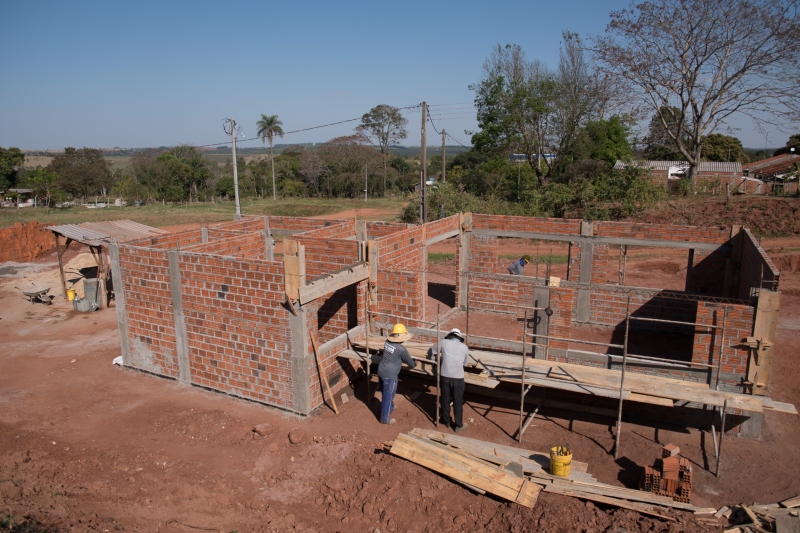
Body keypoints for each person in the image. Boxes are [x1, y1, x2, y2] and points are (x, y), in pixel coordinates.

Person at [428, 328, 470, 432]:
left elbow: (432, 352)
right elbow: (465, 363)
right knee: (457, 401)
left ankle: (446, 420)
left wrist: (434, 361)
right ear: (459, 337)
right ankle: (458, 425)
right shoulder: (464, 347)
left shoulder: (443, 342)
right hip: (458, 378)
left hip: (445, 376)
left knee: (445, 399)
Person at [377, 323, 417, 424]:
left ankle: (391, 407)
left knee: (385, 394)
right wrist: (415, 364)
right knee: (388, 396)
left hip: (381, 371)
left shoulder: (387, 342)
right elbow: (410, 362)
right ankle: (384, 419)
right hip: (390, 375)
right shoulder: (401, 349)